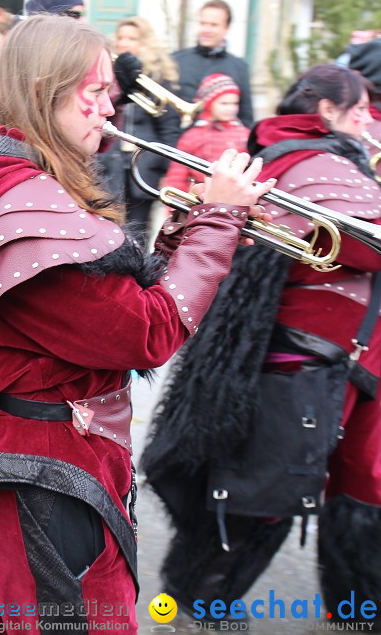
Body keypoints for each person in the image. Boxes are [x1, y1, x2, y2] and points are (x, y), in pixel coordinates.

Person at [0, 14, 273, 634]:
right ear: (42, 91)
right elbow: (148, 332)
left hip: (19, 458)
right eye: (95, 93)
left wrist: (187, 233)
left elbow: (103, 305)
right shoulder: (23, 202)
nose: (108, 112)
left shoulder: (1, 183)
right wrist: (218, 222)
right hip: (40, 466)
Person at [142, 64, 381, 623]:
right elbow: (369, 242)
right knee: (268, 494)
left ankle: (355, 604)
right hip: (314, 357)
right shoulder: (320, 162)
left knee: (344, 487)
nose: (369, 118)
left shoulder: (297, 157)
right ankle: (200, 599)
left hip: (337, 358)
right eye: (361, 108)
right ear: (327, 112)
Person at [98, 15, 182, 240]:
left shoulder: (156, 79)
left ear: (145, 43)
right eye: (121, 37)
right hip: (111, 163)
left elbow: (169, 130)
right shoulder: (107, 75)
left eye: (133, 38)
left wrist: (166, 169)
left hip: (144, 165)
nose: (125, 43)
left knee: (139, 231)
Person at [172, 0, 254, 127]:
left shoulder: (239, 67)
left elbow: (245, 116)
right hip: (178, 142)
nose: (206, 30)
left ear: (226, 28)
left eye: (213, 25)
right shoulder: (176, 60)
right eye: (203, 23)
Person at [164, 72, 250, 193]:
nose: (230, 108)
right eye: (224, 103)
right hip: (201, 196)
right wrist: (174, 205)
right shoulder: (192, 136)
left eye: (234, 103)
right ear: (209, 104)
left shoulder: (244, 134)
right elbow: (177, 175)